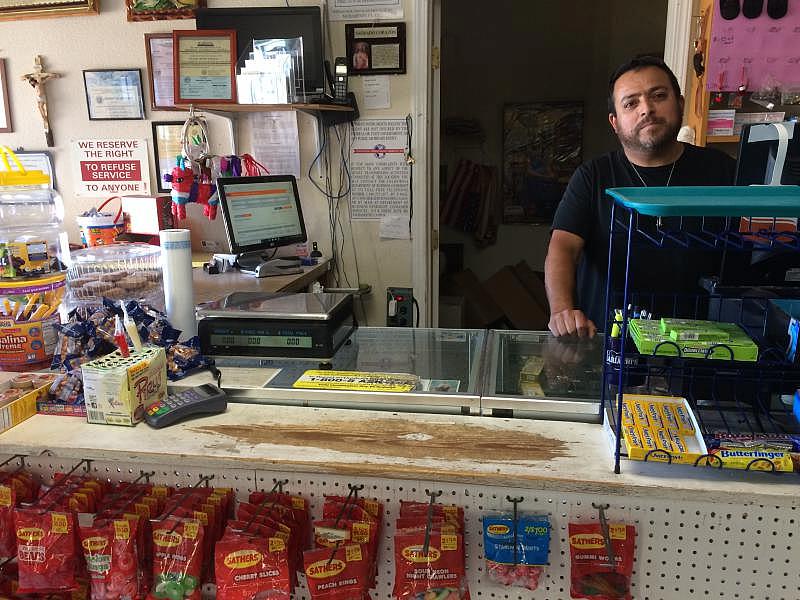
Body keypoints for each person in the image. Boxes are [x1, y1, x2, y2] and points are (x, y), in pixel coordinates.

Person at [545, 56, 736, 338]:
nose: (646, 109)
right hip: (608, 342)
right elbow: (562, 247)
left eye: (658, 96)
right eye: (630, 103)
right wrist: (562, 311)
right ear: (615, 122)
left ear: (680, 103)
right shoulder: (593, 176)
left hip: (700, 343)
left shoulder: (723, 171)